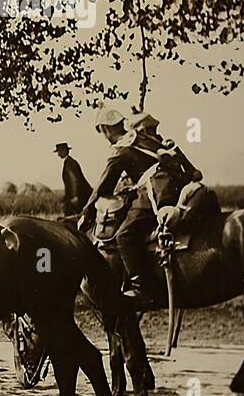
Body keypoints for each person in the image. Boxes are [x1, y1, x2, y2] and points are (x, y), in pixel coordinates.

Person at [78, 108, 201, 305]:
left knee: (124, 236)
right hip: (181, 189)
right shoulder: (145, 139)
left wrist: (87, 211)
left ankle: (141, 287)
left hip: (157, 193)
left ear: (105, 129)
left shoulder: (122, 149)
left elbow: (105, 184)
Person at [55, 142, 92, 217]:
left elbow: (74, 179)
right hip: (79, 196)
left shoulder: (69, 163)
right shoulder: (70, 161)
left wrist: (74, 196)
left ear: (64, 150)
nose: (58, 154)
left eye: (59, 152)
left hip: (78, 197)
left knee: (72, 219)